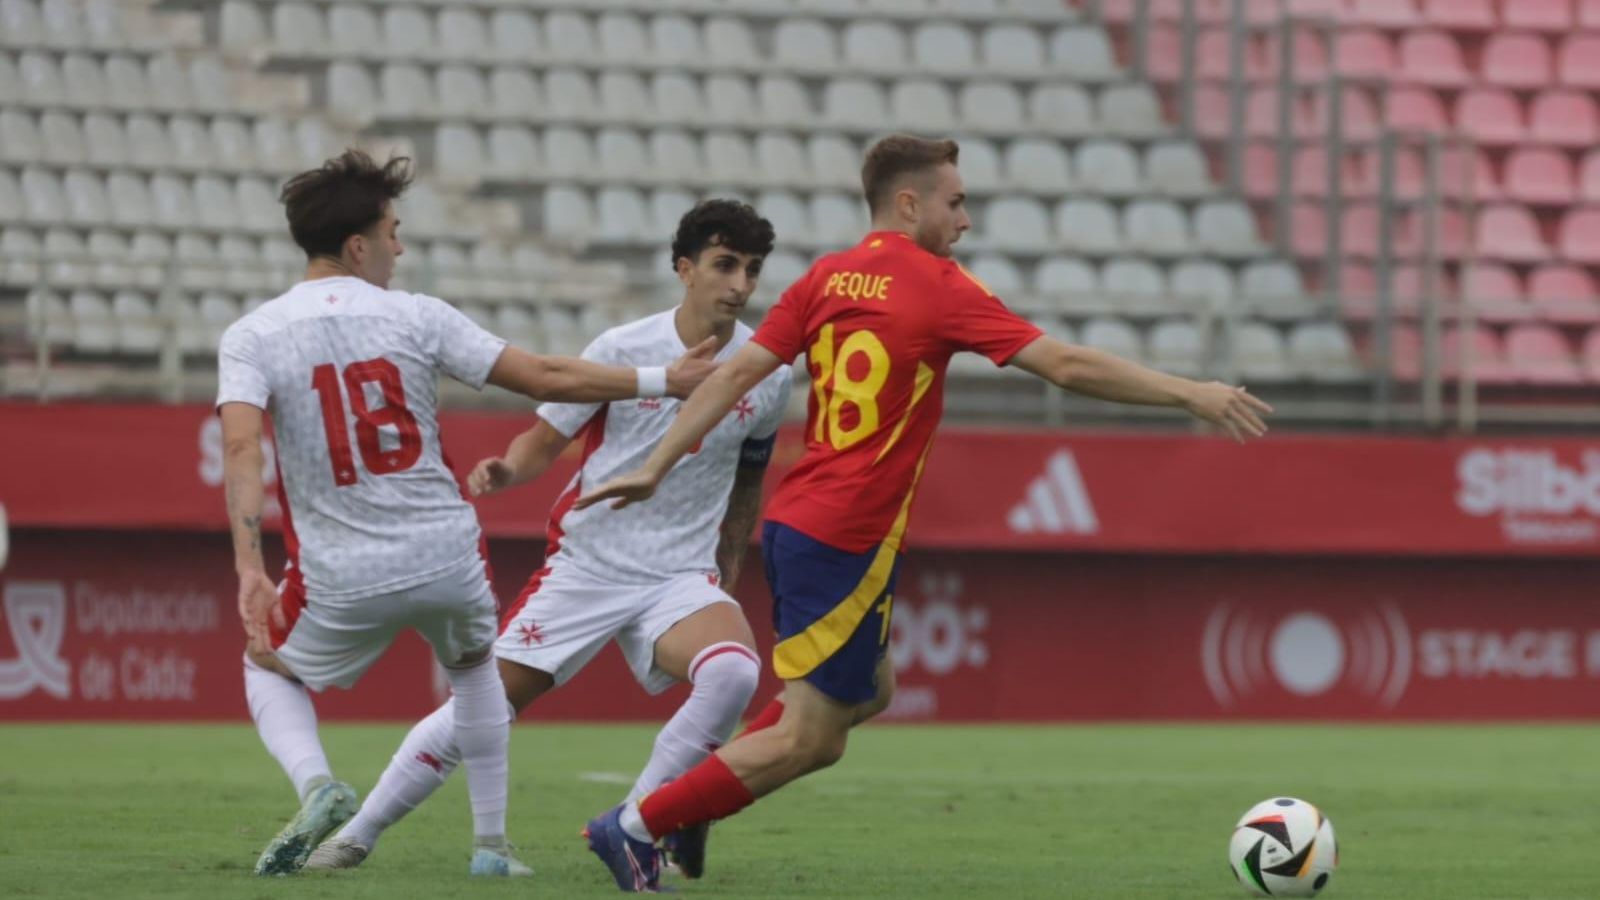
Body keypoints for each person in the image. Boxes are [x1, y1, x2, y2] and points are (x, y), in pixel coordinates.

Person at [574, 135, 1276, 892]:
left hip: (807, 521)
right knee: (813, 740)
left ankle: (698, 799)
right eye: (956, 201)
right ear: (909, 204)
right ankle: (641, 821)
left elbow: (734, 372)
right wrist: (1190, 393)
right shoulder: (937, 284)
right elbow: (1065, 365)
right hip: (843, 536)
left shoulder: (827, 277)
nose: (965, 219)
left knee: (871, 690)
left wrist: (655, 461)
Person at [218, 149, 716, 878]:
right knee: (478, 675)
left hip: (341, 572)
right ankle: (489, 849)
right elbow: (545, 376)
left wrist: (248, 568)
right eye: (393, 231)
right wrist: (661, 378)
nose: (401, 246)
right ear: (358, 246)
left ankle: (319, 785)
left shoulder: (252, 334)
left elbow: (240, 448)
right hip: (446, 554)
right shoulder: (418, 315)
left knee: (266, 665)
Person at [303, 200, 791, 884]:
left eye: (752, 269)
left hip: (678, 574)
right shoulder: (623, 349)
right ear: (684, 269)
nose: (740, 284)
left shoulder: (769, 373)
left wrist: (728, 566)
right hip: (590, 565)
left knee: (735, 671)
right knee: (481, 711)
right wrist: (508, 470)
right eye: (724, 264)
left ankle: (635, 824)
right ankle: (355, 836)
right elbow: (541, 444)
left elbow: (748, 479)